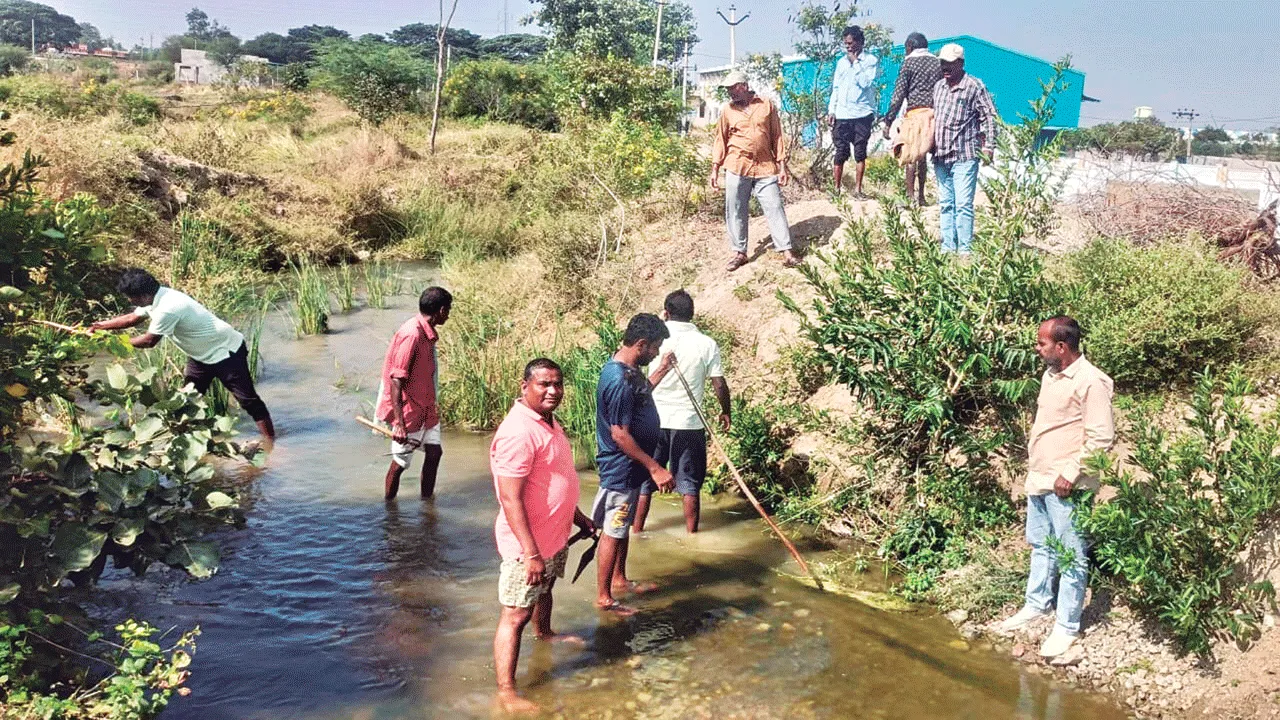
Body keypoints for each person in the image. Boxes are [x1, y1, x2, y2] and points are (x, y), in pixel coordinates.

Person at [997, 316, 1115, 659]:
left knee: (1071, 555)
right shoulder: (1051, 375)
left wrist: (1071, 473)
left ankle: (1066, 627)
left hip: (1067, 485)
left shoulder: (1092, 382)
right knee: (1041, 546)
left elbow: (1101, 437)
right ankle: (1037, 605)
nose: (1036, 348)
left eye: (1041, 344)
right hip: (1040, 478)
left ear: (1061, 347)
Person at [491, 358, 597, 714]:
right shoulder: (518, 431)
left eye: (557, 384)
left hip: (554, 535)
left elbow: (555, 478)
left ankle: (546, 634)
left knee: (545, 591)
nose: (553, 391)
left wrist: (578, 516)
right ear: (524, 387)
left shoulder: (549, 423)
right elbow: (510, 497)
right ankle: (506, 692)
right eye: (543, 384)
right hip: (528, 545)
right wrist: (531, 552)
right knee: (515, 614)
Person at [91, 268, 275, 442]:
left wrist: (112, 342)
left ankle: (271, 443)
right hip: (200, 355)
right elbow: (133, 318)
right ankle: (192, 443)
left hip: (225, 352)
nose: (130, 301)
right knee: (186, 400)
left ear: (144, 295)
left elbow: (149, 341)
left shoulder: (168, 307)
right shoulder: (156, 296)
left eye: (131, 298)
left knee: (248, 400)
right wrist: (100, 326)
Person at [592, 313, 675, 616]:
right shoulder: (618, 380)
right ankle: (604, 597)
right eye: (654, 348)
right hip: (621, 467)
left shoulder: (629, 372)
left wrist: (662, 370)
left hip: (630, 466)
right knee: (614, 529)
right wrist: (655, 468)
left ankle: (619, 580)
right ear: (641, 344)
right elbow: (620, 434)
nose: (655, 353)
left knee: (621, 526)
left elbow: (639, 398)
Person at [632, 290, 730, 535]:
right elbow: (719, 383)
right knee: (689, 483)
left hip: (653, 420)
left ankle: (636, 532)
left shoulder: (656, 340)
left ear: (666, 313)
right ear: (692, 315)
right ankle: (692, 537)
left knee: (644, 481)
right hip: (688, 422)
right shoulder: (707, 343)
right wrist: (725, 411)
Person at [710, 70, 803, 273]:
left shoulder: (766, 104)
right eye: (727, 89)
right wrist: (715, 169)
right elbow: (720, 140)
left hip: (765, 166)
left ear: (744, 85)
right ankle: (739, 253)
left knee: (775, 206)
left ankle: (787, 252)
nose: (730, 92)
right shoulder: (727, 110)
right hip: (736, 165)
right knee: (735, 209)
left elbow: (777, 135)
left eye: (733, 87)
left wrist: (782, 166)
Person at [376, 286, 451, 500]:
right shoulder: (412, 334)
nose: (449, 315)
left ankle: (427, 505)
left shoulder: (425, 332)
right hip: (410, 412)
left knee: (435, 453)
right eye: (448, 310)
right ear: (441, 310)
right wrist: (399, 424)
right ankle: (389, 511)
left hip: (426, 408)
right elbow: (396, 380)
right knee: (400, 464)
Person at [932, 43, 998, 253]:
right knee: (946, 204)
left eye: (950, 63)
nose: (945, 67)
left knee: (962, 205)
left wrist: (989, 147)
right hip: (941, 156)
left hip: (964, 155)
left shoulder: (974, 86)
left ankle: (965, 251)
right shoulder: (939, 87)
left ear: (960, 63)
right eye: (943, 63)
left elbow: (989, 116)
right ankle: (947, 248)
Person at [883, 32, 942, 206]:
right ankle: (922, 197)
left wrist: (888, 121)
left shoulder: (908, 63)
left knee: (911, 155)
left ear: (909, 46)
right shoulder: (937, 63)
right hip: (933, 114)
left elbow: (898, 95)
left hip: (915, 113)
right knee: (922, 155)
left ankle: (910, 197)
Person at [827, 25, 879, 198]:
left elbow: (866, 83)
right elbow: (836, 87)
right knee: (840, 151)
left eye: (851, 43)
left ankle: (858, 190)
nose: (848, 47)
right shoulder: (841, 63)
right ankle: (836, 189)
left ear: (859, 42)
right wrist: (831, 110)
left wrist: (856, 62)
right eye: (846, 44)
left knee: (860, 152)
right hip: (842, 114)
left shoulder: (870, 61)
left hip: (862, 114)